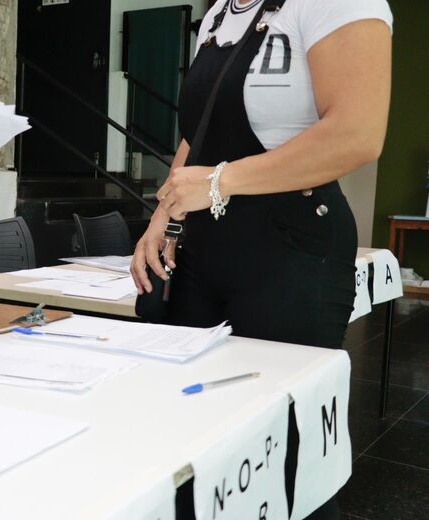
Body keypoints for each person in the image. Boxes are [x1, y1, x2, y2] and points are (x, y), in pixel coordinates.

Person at [130, 1, 392, 518]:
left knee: (283, 441)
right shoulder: (218, 13)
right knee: (194, 430)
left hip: (293, 249)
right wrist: (162, 214)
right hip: (205, 249)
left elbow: (357, 133)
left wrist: (219, 182)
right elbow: (196, 136)